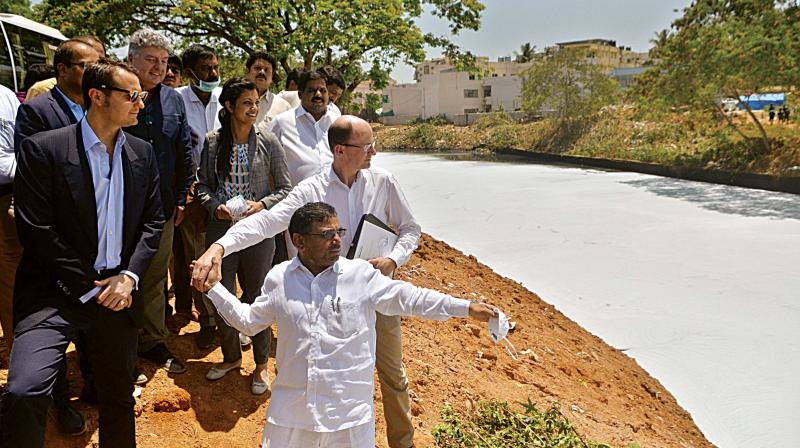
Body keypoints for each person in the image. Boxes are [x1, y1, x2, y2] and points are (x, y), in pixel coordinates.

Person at [193, 115, 421, 448]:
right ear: (340, 150)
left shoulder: (384, 182)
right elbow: (266, 223)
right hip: (323, 300)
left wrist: (393, 259)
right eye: (367, 145)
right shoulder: (312, 190)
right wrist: (220, 245)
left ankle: (403, 443)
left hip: (374, 291)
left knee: (392, 374)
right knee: (327, 376)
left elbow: (410, 229)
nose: (374, 152)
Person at [202, 202, 498, 448]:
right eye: (326, 234)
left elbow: (411, 298)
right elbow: (249, 322)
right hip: (291, 421)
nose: (337, 240)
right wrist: (213, 288)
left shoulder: (360, 276)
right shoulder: (279, 279)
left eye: (338, 232)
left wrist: (466, 307)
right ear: (299, 241)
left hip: (349, 422)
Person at [0, 59, 164, 448]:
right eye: (133, 95)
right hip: (53, 292)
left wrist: (129, 277)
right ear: (98, 97)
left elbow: (153, 223)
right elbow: (36, 230)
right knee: (24, 391)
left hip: (118, 295)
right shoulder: (44, 150)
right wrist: (89, 285)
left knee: (118, 399)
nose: (142, 102)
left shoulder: (142, 153)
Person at [11, 37, 101, 434]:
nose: (93, 72)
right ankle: (60, 401)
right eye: (85, 65)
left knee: (94, 328)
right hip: (57, 245)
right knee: (54, 325)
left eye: (99, 65)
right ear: (62, 71)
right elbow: (37, 183)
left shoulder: (101, 106)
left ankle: (96, 387)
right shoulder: (36, 112)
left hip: (99, 240)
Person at [196, 77, 291, 394]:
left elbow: (285, 190)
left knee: (258, 296)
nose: (254, 108)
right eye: (247, 103)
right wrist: (216, 208)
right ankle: (231, 357)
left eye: (256, 103)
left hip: (258, 233)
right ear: (229, 107)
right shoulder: (212, 142)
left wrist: (260, 204)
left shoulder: (268, 140)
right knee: (220, 293)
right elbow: (203, 188)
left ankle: (261, 365)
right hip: (222, 231)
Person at [125, 29, 194, 379]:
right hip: (119, 208)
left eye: (164, 61)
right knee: (120, 274)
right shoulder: (114, 97)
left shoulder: (173, 100)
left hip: (163, 208)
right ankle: (121, 349)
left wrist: (182, 198)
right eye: (151, 59)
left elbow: (184, 151)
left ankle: (151, 341)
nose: (159, 67)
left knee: (154, 278)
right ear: (131, 59)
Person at [176, 44, 223, 349]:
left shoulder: (225, 101)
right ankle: (207, 321)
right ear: (189, 73)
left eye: (216, 67)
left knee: (224, 256)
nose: (214, 74)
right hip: (192, 195)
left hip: (225, 192)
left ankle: (228, 318)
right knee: (197, 258)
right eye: (207, 69)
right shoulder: (176, 101)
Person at [267, 69, 340, 187]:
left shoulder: (338, 122)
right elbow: (267, 165)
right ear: (300, 95)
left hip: (334, 200)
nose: (318, 95)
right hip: (295, 202)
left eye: (322, 90)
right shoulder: (281, 123)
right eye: (312, 90)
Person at [0, 84, 19, 366]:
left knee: (11, 287)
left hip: (5, 200)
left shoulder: (5, 95)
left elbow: (22, 145)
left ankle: (19, 357)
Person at [24, 36, 106, 101]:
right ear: (63, 69)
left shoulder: (102, 96)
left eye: (100, 63)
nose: (96, 70)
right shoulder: (42, 91)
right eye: (88, 65)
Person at [245, 51, 291, 126]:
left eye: (267, 70)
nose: (262, 72)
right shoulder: (234, 101)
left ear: (272, 77)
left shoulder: (283, 107)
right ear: (247, 72)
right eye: (258, 68)